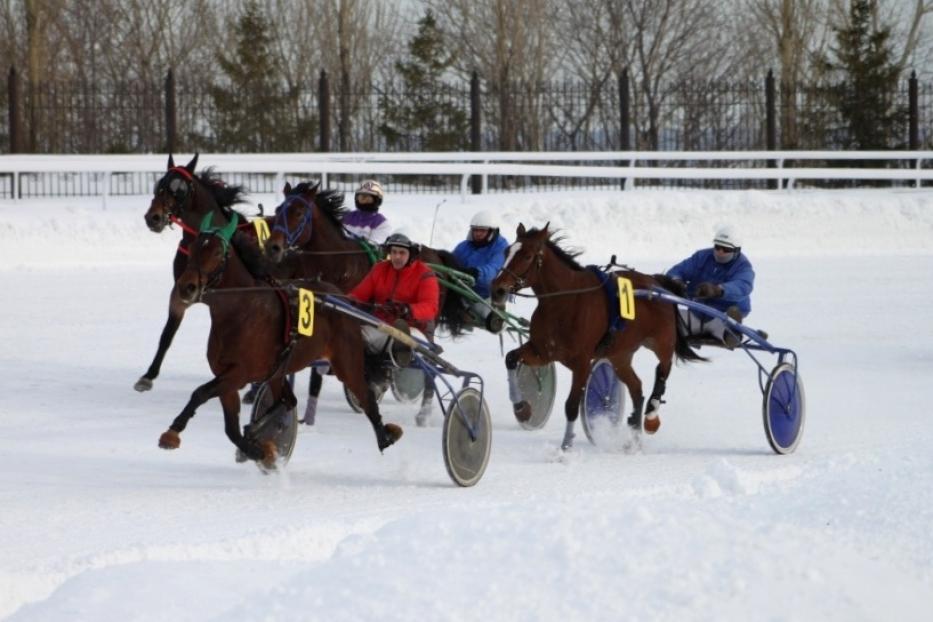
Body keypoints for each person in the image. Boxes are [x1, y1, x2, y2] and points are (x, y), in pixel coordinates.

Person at [349, 232, 440, 420]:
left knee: (399, 332)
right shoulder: (379, 269)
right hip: (382, 326)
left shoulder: (425, 275)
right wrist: (346, 301)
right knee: (356, 335)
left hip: (416, 329)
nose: (397, 257)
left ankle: (397, 353)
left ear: (410, 255)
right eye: (394, 252)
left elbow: (430, 307)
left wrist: (408, 310)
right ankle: (376, 376)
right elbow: (359, 294)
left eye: (401, 253)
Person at [665, 225, 754, 348]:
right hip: (696, 312)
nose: (720, 252)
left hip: (720, 315)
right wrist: (676, 282)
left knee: (723, 324)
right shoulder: (701, 257)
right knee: (666, 316)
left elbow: (742, 286)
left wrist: (717, 290)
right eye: (717, 247)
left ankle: (732, 333)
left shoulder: (743, 267)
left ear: (737, 250)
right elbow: (677, 271)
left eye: (726, 249)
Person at [452, 210, 510, 331]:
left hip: (488, 296)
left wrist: (476, 273)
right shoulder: (464, 246)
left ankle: (498, 317)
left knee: (492, 324)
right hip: (464, 292)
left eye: (482, 230)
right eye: (475, 230)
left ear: (492, 232)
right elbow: (451, 262)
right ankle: (463, 312)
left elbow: (494, 269)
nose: (477, 233)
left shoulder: (502, 247)